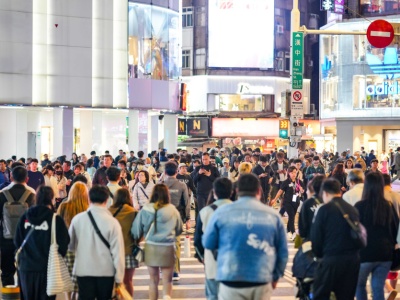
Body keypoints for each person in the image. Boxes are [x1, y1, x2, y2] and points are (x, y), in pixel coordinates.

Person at [203, 173, 288, 300]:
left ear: (236, 191)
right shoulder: (273, 216)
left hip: (230, 278)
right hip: (261, 279)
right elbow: (283, 253)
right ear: (259, 191)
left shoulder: (221, 212)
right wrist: (275, 277)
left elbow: (208, 243)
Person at [68, 185, 125, 300]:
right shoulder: (112, 222)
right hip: (106, 272)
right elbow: (118, 253)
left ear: (89, 199)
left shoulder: (78, 219)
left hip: (83, 270)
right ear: (107, 200)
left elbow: (70, 246)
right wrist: (119, 278)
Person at [311, 178, 363, 299]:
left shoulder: (323, 210)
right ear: (339, 192)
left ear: (325, 193)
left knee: (321, 295)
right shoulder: (352, 209)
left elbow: (316, 239)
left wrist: (318, 257)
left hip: (331, 259)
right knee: (346, 296)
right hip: (352, 261)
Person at [14, 186, 70, 300]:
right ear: (52, 198)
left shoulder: (25, 216)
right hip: (47, 269)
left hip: (26, 268)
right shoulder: (55, 220)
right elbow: (64, 244)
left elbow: (17, 241)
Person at [131, 184, 183, 300]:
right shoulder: (172, 209)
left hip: (151, 247)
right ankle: (166, 297)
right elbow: (179, 229)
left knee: (153, 280)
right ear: (167, 195)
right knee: (167, 280)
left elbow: (136, 230)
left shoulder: (146, 209)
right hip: (168, 247)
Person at [354, 172, 399, 300]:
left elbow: (354, 231)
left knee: (359, 285)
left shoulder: (359, 206)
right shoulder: (387, 206)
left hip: (364, 253)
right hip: (385, 254)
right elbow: (395, 230)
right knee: (378, 287)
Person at [194, 178, 232, 300]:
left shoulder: (205, 212)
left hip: (212, 262)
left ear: (214, 192)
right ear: (231, 192)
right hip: (236, 265)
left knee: (213, 296)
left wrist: (203, 258)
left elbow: (197, 241)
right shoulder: (240, 211)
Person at [0, 166, 35, 287]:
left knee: (6, 272)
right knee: (25, 273)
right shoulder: (32, 195)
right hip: (26, 241)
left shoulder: (2, 194)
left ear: (11, 177)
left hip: (6, 239)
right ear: (27, 178)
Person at [57, 181, 89, 300]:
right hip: (83, 248)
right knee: (81, 280)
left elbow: (57, 225)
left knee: (67, 279)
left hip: (67, 247)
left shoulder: (64, 206)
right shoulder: (87, 208)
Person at [162, 161, 190, 281]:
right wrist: (188, 219)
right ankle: (175, 271)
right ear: (177, 171)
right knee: (176, 244)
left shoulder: (160, 184)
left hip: (162, 217)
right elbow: (187, 203)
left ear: (164, 172)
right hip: (177, 217)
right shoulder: (182, 185)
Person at [109, 189, 138, 297]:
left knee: (112, 281)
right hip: (128, 251)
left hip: (111, 251)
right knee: (128, 281)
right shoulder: (133, 212)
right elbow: (139, 233)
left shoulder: (108, 211)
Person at [271, 166, 304, 240]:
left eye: (295, 172)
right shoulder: (286, 182)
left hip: (296, 202)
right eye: (292, 172)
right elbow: (280, 191)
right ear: (289, 173)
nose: (293, 174)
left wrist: (301, 190)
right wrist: (275, 199)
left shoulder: (299, 182)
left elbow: (302, 191)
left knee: (292, 217)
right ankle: (293, 232)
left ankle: (288, 230)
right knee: (291, 216)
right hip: (287, 202)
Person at [298, 175, 325, 241]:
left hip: (310, 240)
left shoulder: (307, 203)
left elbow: (302, 229)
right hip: (327, 242)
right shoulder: (328, 202)